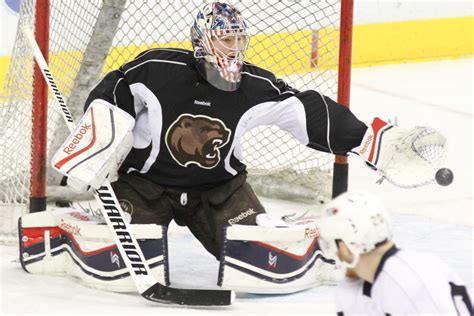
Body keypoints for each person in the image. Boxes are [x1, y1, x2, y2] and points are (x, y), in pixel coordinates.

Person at [79, 2, 445, 260]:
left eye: (240, 39)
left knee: (258, 255)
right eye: (226, 39)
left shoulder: (252, 86)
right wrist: (97, 136)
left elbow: (305, 110)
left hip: (217, 192)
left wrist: (369, 141)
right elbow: (116, 88)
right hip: (145, 186)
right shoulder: (157, 70)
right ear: (202, 40)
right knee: (125, 254)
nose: (235, 48)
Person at [317, 191, 473, 315]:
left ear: (347, 245)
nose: (333, 253)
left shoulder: (410, 279)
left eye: (331, 244)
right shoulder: (353, 287)